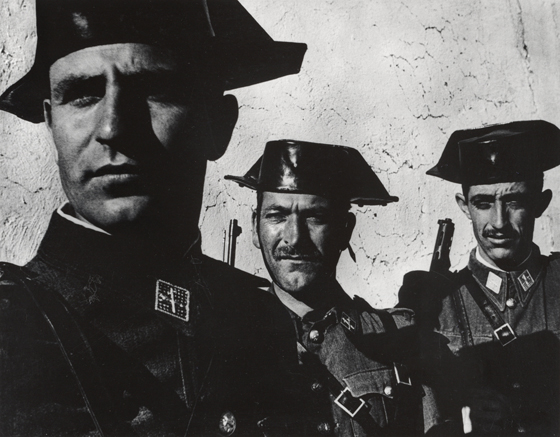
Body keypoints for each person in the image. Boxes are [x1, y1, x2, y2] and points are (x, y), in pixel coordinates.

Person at [0, 0, 306, 435]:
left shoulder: (258, 321)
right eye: (82, 94)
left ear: (219, 125)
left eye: (155, 89)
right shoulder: (14, 326)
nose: (114, 128)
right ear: (50, 122)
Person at [226, 139, 442, 436]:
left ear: (345, 230)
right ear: (254, 228)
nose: (294, 238)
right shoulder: (224, 340)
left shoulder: (396, 338)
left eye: (315, 217)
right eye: (276, 216)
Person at [399, 120, 560, 435]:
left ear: (541, 203)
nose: (499, 223)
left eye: (514, 201)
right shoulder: (436, 305)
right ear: (464, 207)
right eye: (483, 203)